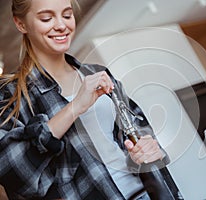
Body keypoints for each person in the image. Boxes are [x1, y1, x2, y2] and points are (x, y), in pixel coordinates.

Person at [0, 0, 173, 199]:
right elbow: (9, 169)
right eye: (46, 18)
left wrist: (147, 149)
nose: (61, 25)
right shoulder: (10, 95)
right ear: (20, 24)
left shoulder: (98, 72)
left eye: (67, 15)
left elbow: (138, 127)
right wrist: (75, 107)